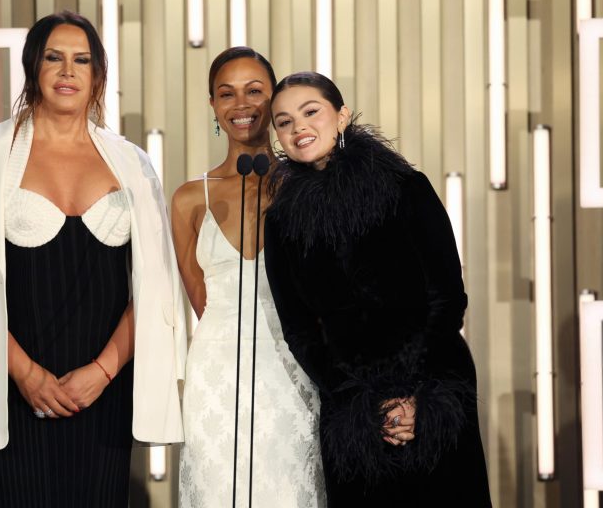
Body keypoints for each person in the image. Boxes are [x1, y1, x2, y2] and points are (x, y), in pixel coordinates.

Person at [0, 11, 185, 507]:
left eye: (82, 60)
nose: (68, 71)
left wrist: (102, 373)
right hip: (7, 387)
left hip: (104, 393)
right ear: (33, 66)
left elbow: (155, 287)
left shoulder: (134, 164)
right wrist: (27, 375)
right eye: (54, 57)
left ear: (98, 74)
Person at [264, 71, 492, 507]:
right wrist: (363, 400)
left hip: (434, 384)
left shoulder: (407, 188)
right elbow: (299, 329)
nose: (298, 128)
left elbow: (447, 295)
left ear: (342, 115)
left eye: (310, 112)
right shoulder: (281, 222)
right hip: (351, 404)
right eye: (284, 122)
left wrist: (413, 395)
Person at [171, 48, 326, 507]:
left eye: (254, 91)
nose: (241, 104)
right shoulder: (189, 198)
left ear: (273, 99)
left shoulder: (311, 187)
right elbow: (201, 300)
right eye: (227, 93)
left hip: (296, 372)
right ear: (213, 105)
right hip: (216, 378)